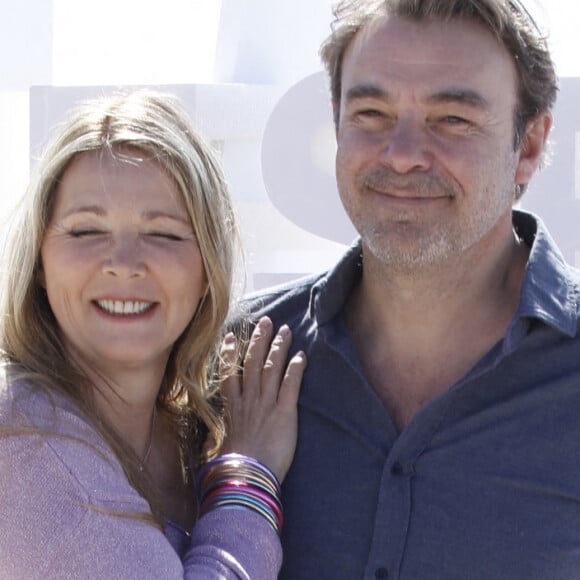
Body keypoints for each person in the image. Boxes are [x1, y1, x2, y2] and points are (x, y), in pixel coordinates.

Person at [245, 0, 580, 578]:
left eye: (452, 119)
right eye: (371, 113)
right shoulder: (238, 360)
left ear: (528, 145)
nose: (401, 155)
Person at [0, 89, 306, 579]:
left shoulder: (193, 434)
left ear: (208, 265)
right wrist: (245, 479)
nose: (123, 265)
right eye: (85, 231)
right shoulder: (22, 440)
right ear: (39, 263)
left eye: (162, 234)